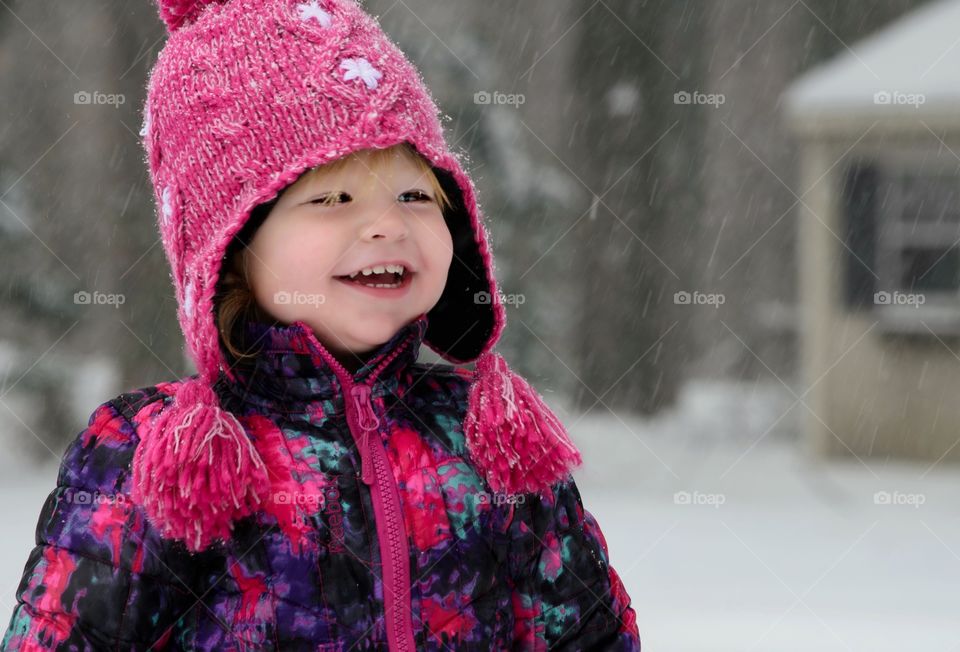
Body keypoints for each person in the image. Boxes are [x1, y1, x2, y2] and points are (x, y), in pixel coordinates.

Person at [0, 0, 642, 649]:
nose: (387, 224)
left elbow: (590, 636)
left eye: (415, 194)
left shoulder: (488, 448)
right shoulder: (152, 460)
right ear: (232, 251)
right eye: (332, 198)